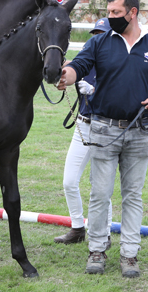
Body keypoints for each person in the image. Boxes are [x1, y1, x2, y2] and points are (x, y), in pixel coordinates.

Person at [56, 0, 148, 278]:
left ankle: (130, 255)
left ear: (132, 13)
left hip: (138, 132)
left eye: (115, 13)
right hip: (103, 130)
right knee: (100, 194)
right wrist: (65, 75)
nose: (110, 18)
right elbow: (77, 66)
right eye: (108, 13)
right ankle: (96, 250)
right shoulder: (99, 42)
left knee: (133, 196)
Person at [53, 18, 113, 246]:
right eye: (94, 33)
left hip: (105, 127)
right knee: (69, 181)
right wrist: (61, 78)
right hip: (83, 123)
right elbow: (68, 71)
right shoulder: (85, 60)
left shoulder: (114, 62)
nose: (97, 37)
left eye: (101, 33)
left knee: (101, 185)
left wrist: (96, 90)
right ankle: (77, 227)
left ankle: (105, 233)